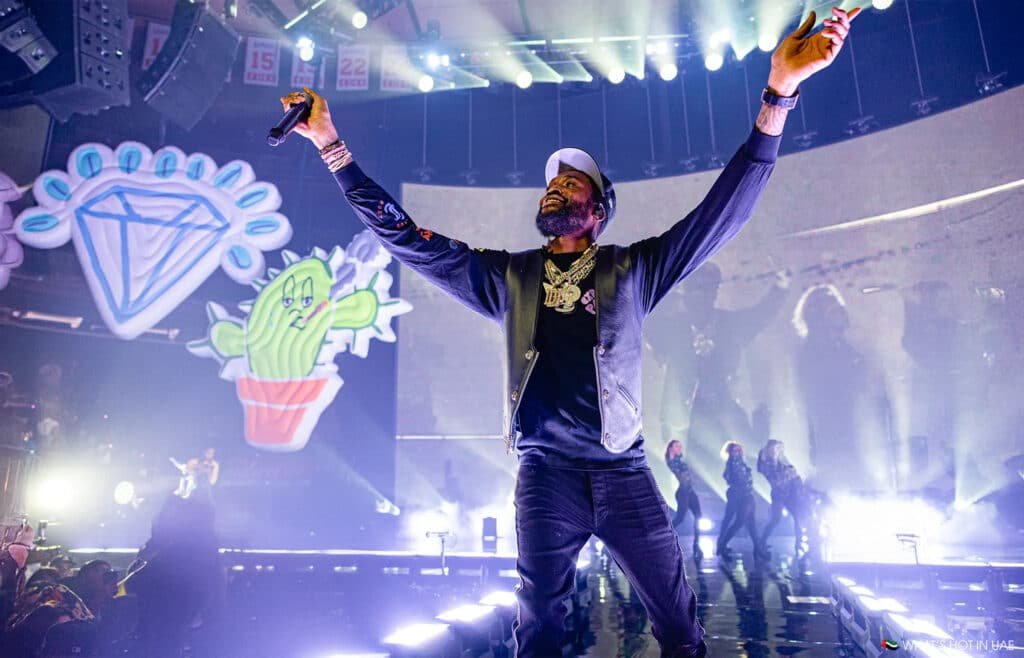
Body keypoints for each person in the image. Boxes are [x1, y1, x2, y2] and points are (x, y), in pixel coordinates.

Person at [283, 7, 860, 655]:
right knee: (539, 634)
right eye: (552, 181)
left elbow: (723, 213)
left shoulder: (634, 270)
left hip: (623, 473)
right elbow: (407, 239)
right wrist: (331, 145)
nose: (555, 186)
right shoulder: (510, 278)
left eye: (571, 182)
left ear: (598, 210)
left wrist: (778, 93)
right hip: (545, 475)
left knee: (680, 629)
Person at [756, 440, 810, 558]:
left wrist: (793, 478)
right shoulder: (768, 464)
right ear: (769, 450)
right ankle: (761, 542)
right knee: (776, 519)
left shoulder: (781, 462)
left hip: (789, 494)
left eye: (779, 449)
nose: (778, 451)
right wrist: (789, 474)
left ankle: (799, 543)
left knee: (798, 516)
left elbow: (793, 473)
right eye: (776, 448)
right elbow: (776, 479)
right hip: (779, 495)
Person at [716, 442, 762, 561]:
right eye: (735, 450)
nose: (739, 452)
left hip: (746, 494)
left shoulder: (740, 462)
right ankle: (722, 545)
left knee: (750, 522)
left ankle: (757, 548)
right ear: (731, 452)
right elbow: (730, 476)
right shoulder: (733, 462)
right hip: (738, 494)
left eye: (739, 449)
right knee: (739, 521)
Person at [664, 440, 703, 561]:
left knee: (698, 516)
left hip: (689, 491)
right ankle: (664, 537)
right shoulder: (671, 462)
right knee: (680, 517)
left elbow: (687, 475)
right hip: (682, 492)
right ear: (670, 448)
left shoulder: (680, 461)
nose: (679, 448)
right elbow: (677, 473)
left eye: (680, 446)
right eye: (676, 446)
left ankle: (696, 545)